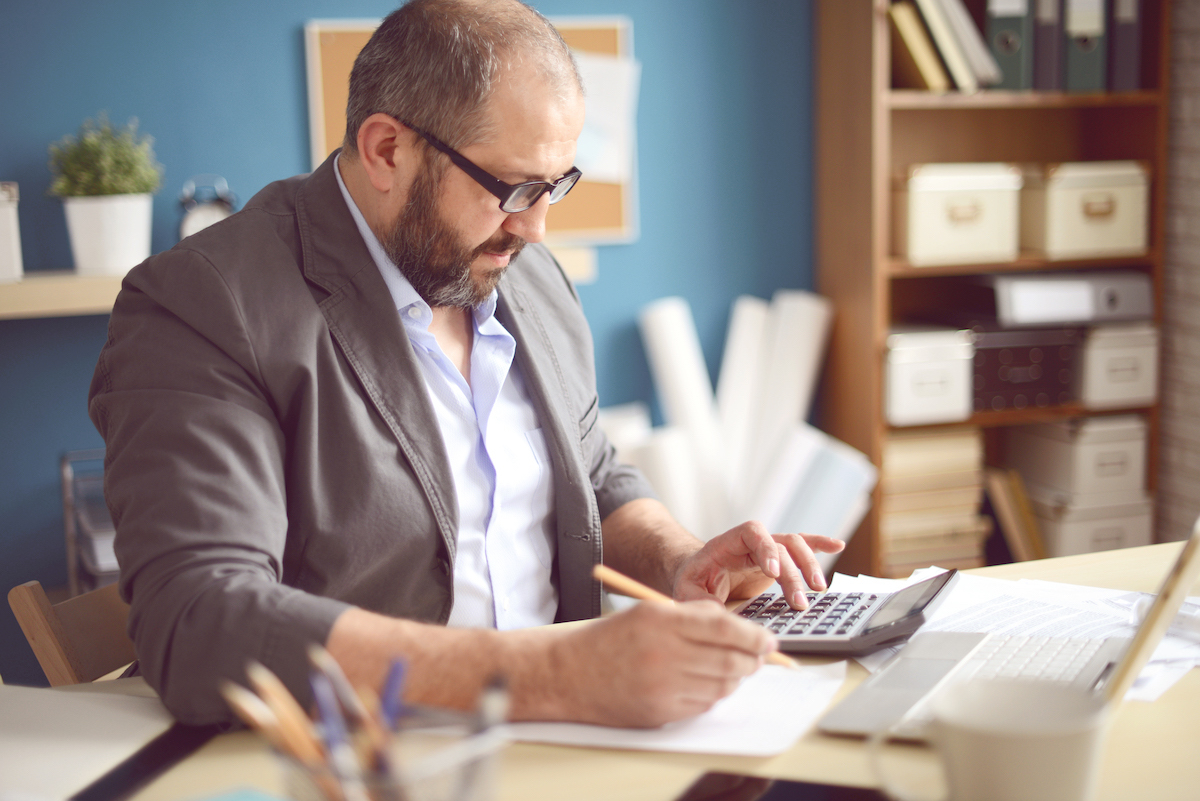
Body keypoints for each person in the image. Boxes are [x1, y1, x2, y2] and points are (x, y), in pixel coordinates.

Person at [88, 0, 844, 728]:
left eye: (555, 187)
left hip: (563, 753)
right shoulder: (203, 303)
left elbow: (592, 471)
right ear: (387, 149)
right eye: (513, 188)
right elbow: (202, 620)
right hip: (360, 764)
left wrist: (681, 562)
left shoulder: (524, 274)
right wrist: (557, 676)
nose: (537, 228)